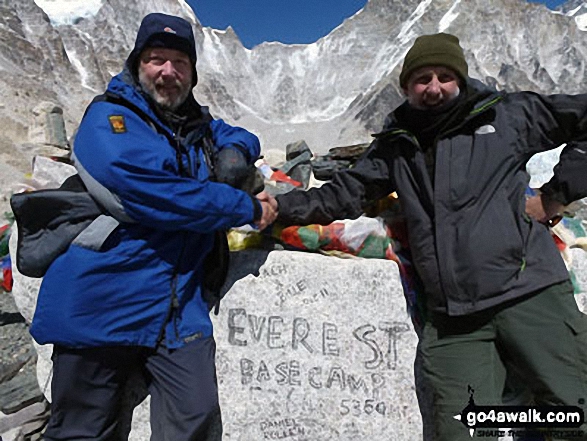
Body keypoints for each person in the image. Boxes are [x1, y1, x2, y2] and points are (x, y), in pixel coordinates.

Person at [272, 33, 587, 440]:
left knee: (574, 415)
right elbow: (347, 193)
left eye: (443, 76)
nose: (434, 88)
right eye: (422, 79)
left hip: (529, 293)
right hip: (456, 318)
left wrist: (554, 196)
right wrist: (277, 208)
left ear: (460, 78)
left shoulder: (508, 115)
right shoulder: (397, 143)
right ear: (406, 87)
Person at [29, 12, 276, 440]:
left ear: (192, 74)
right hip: (103, 296)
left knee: (195, 418)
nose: (168, 72)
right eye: (157, 60)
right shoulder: (110, 120)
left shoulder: (193, 123)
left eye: (180, 63)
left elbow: (237, 132)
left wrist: (235, 150)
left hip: (178, 306)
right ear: (137, 63)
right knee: (83, 431)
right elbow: (154, 194)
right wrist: (246, 207)